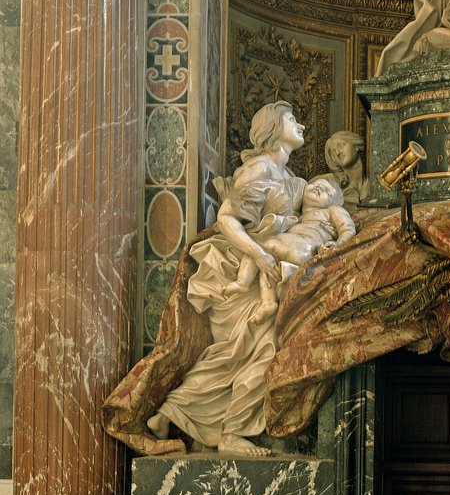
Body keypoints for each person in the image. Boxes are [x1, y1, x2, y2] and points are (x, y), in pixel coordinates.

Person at [146, 100, 309, 456]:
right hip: (241, 270)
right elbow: (226, 219)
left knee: (235, 358)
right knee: (259, 351)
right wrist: (259, 254)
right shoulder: (260, 168)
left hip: (268, 269)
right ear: (271, 128)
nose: (301, 125)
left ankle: (171, 411)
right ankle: (231, 434)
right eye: (291, 119)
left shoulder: (288, 179)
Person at [227, 176, 357, 320]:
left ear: (332, 202)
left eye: (327, 191)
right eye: (316, 184)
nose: (320, 188)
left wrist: (338, 244)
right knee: (267, 266)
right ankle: (269, 302)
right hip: (293, 250)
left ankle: (243, 282)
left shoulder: (332, 210)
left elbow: (348, 228)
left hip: (306, 249)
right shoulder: (298, 217)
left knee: (261, 247)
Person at [314, 130, 369, 210]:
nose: (337, 152)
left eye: (341, 145)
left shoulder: (374, 185)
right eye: (333, 151)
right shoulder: (329, 182)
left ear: (356, 146)